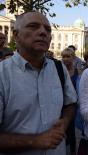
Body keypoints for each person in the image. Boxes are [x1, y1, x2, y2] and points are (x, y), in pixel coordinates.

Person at [0, 11, 77, 155]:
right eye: (33, 26)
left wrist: (64, 123)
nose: (42, 32)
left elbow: (70, 103)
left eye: (47, 29)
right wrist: (35, 141)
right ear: (15, 35)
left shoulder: (59, 68)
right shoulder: (2, 74)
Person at [61, 47, 79, 155]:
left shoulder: (78, 71)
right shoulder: (59, 70)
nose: (65, 59)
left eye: (68, 56)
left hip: (75, 104)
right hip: (63, 104)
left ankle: (72, 150)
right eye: (63, 56)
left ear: (73, 57)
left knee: (73, 128)